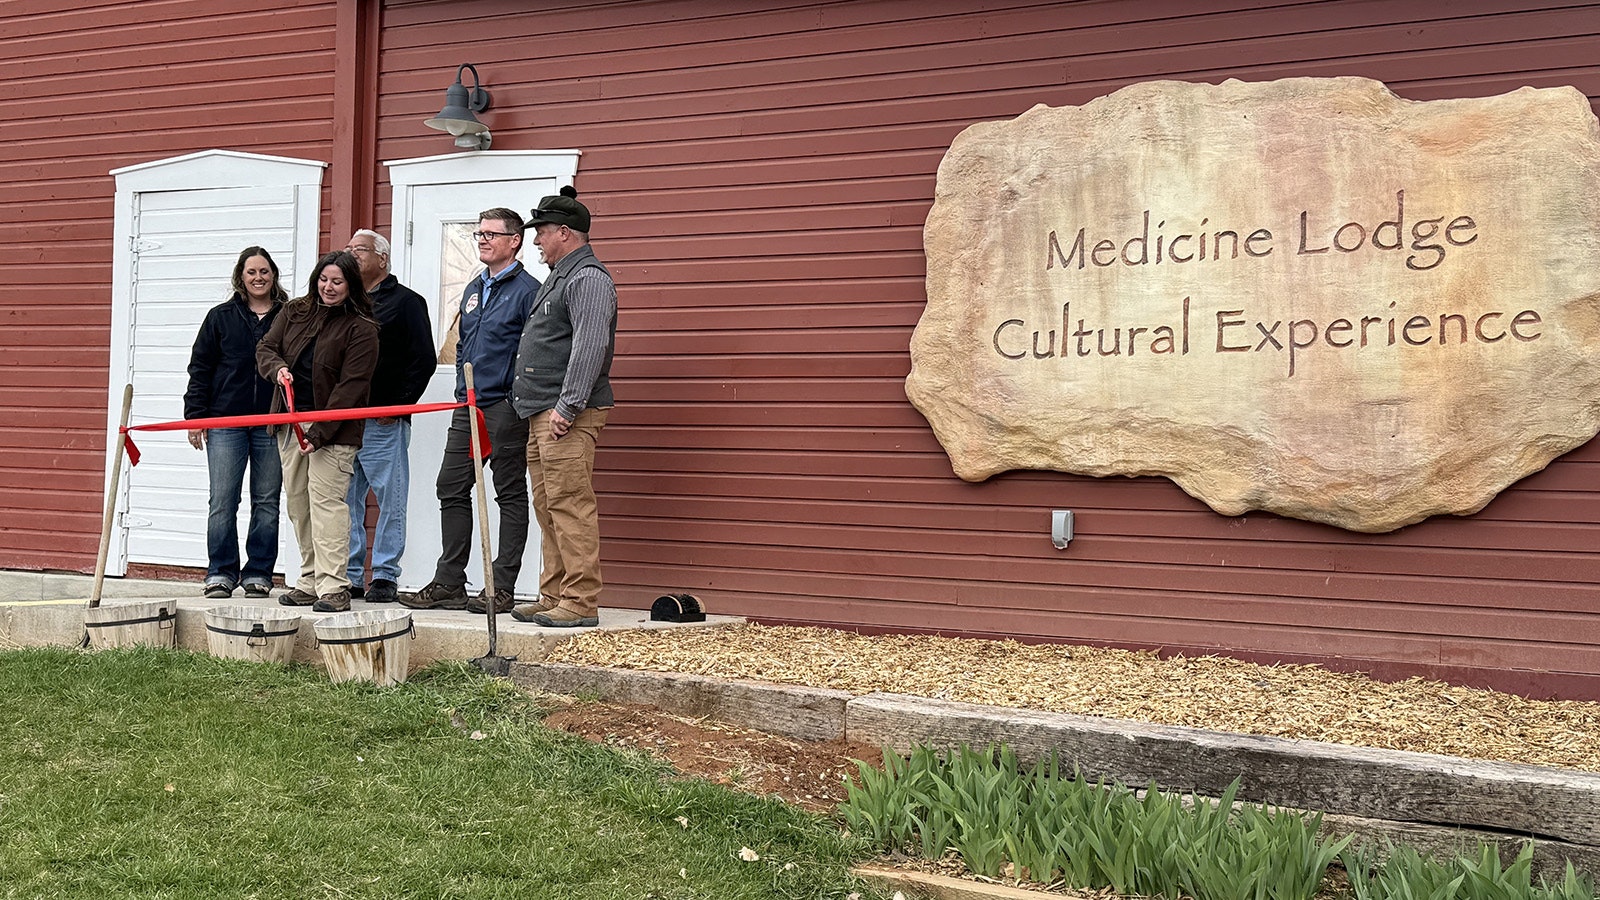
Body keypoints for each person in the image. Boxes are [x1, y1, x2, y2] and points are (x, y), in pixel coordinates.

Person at [401, 208, 540, 613]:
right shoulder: (474, 288)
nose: (482, 240)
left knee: (509, 491)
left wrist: (516, 397)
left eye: (490, 234)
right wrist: (463, 391)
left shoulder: (528, 290)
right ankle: (449, 582)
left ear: (514, 240)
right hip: (468, 404)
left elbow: (531, 351)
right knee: (451, 485)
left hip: (504, 406)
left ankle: (502, 584)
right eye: (478, 234)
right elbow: (463, 344)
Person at [509, 187, 618, 628]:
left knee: (570, 503)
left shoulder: (588, 278)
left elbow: (589, 348)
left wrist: (568, 406)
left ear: (565, 233)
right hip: (544, 411)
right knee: (548, 504)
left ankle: (580, 600)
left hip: (565, 412)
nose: (535, 241)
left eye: (541, 233)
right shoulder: (563, 274)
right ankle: (554, 593)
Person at [256, 251, 380, 613]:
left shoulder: (363, 328)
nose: (329, 287)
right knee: (298, 504)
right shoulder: (295, 311)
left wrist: (320, 432)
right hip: (289, 422)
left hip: (334, 431)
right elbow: (266, 347)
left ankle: (334, 586)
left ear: (350, 285)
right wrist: (277, 368)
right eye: (324, 280)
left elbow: (352, 387)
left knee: (327, 505)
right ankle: (308, 579)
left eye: (337, 282)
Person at [183, 246, 288, 600]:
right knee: (223, 501)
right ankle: (220, 572)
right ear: (240, 278)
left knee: (267, 500)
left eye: (264, 271)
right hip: (225, 422)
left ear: (273, 275)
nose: (258, 278)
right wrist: (195, 417)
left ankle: (259, 572)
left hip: (272, 423)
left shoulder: (289, 316)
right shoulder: (220, 317)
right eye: (251, 272)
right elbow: (200, 369)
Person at [342, 229, 436, 604]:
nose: (351, 255)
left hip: (384, 421)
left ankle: (383, 574)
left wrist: (399, 404)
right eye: (347, 249)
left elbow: (423, 360)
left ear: (382, 258)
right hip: (344, 421)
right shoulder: (341, 300)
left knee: (390, 499)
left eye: (359, 250)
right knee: (344, 501)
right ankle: (348, 576)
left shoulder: (406, 302)